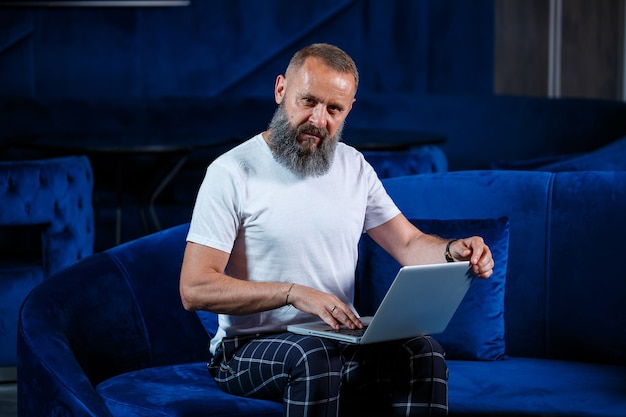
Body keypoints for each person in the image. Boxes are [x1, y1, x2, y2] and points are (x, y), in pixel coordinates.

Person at [180, 43, 494, 417]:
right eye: (308, 101)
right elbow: (195, 287)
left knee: (422, 351)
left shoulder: (354, 168)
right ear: (281, 90)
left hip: (338, 342)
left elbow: (409, 244)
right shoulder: (231, 172)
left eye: (333, 109)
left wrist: (452, 250)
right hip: (246, 349)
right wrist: (293, 294)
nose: (318, 118)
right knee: (312, 358)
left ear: (349, 110)